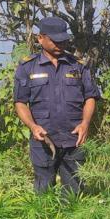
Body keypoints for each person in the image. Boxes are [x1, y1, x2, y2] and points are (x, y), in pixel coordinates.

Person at [13, 16, 100, 194]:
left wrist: (85, 124)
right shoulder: (27, 67)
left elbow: (90, 97)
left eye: (63, 41)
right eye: (55, 41)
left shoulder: (78, 66)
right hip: (43, 141)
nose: (60, 45)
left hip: (74, 139)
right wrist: (33, 126)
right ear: (40, 38)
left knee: (74, 193)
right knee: (43, 193)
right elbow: (20, 102)